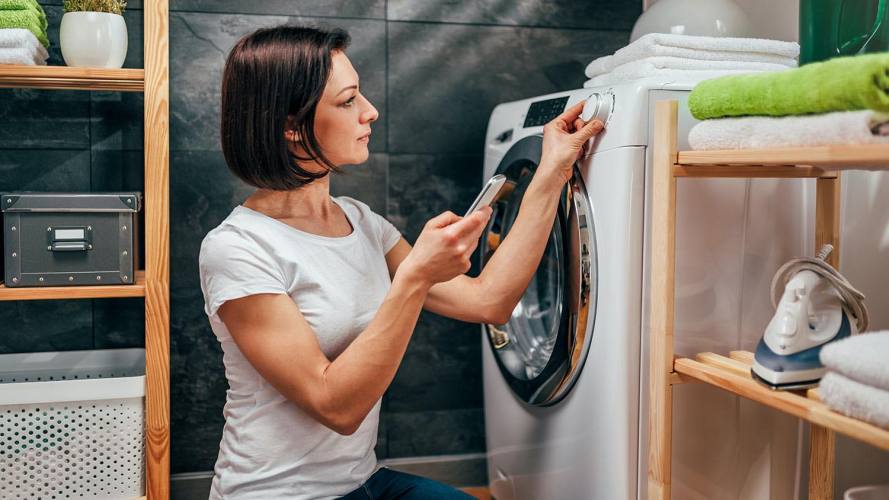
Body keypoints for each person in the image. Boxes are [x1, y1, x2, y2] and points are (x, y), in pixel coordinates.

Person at [199, 24, 604, 500]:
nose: (370, 111)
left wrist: (553, 171)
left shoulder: (360, 222)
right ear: (291, 126)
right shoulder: (237, 248)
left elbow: (489, 301)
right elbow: (336, 407)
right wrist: (414, 277)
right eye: (348, 100)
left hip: (363, 482)